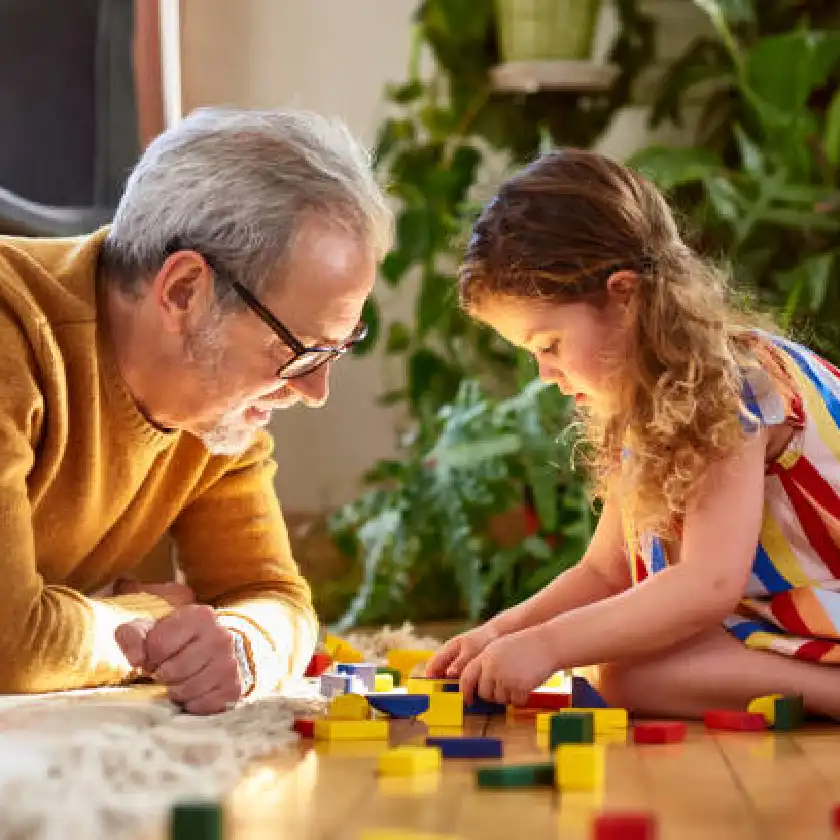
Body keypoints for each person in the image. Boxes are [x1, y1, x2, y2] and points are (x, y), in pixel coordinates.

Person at [0, 107, 391, 713]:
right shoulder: (13, 337)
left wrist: (240, 645)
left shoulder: (218, 412)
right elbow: (9, 644)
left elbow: (272, 595)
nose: (315, 391)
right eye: (301, 351)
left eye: (338, 348)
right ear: (184, 290)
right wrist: (156, 615)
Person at [426, 148, 840, 719]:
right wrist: (502, 632)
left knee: (630, 672)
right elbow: (607, 570)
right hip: (802, 612)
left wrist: (547, 646)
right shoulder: (647, 400)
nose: (545, 373)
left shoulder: (728, 385)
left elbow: (707, 585)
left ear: (625, 297)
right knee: (630, 668)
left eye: (549, 345)